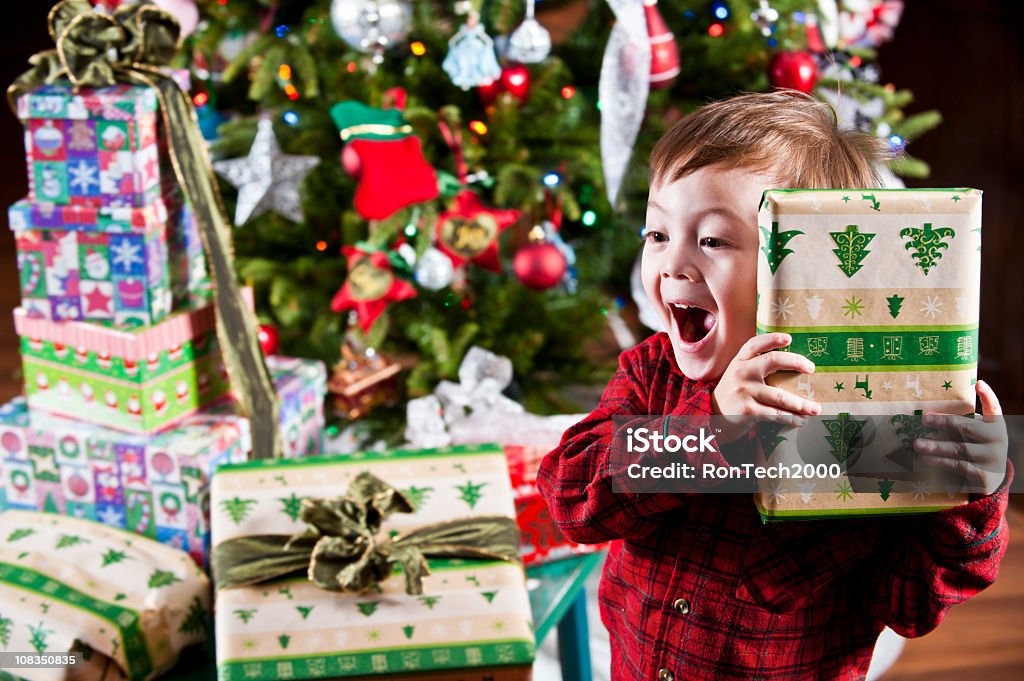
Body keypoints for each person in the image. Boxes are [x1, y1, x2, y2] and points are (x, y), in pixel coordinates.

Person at [536, 90, 1013, 681]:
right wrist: (710, 432)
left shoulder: (874, 417)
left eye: (712, 239)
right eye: (656, 233)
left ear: (810, 272)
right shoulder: (650, 372)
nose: (672, 264)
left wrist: (971, 496)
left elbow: (913, 605)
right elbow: (569, 500)